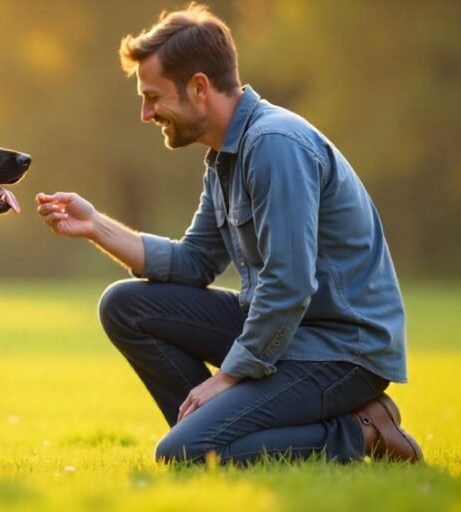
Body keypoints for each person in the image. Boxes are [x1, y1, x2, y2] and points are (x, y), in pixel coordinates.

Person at [36, 3, 421, 465]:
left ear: (199, 87)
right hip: (289, 336)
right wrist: (96, 226)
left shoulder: (275, 146)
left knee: (183, 455)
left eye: (153, 96)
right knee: (125, 306)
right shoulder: (225, 157)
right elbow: (194, 263)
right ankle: (210, 433)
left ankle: (360, 432)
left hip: (338, 352)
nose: (145, 112)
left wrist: (230, 376)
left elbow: (289, 283)